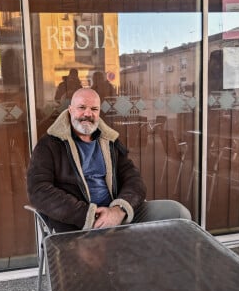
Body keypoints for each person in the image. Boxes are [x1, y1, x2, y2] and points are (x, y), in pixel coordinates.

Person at [27, 88, 191, 232]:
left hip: (118, 214)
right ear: (70, 110)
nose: (87, 114)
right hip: (78, 222)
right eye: (82, 107)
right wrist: (89, 215)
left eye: (94, 109)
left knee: (178, 213)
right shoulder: (50, 144)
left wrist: (118, 210)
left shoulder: (110, 141)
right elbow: (38, 189)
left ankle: (171, 265)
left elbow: (134, 179)